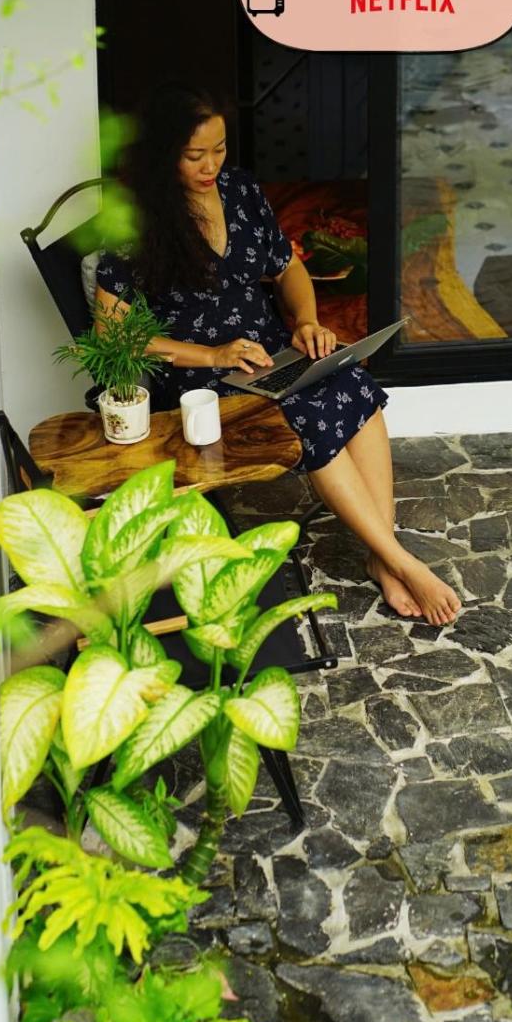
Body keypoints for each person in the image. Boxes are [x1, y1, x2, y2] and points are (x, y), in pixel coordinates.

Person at [94, 82, 462, 626]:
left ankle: (382, 556)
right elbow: (112, 335)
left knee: (354, 386)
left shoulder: (240, 190)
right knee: (311, 413)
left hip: (269, 354)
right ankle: (400, 560)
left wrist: (307, 321)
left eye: (220, 149)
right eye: (195, 155)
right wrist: (212, 354)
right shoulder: (136, 221)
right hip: (202, 379)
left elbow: (288, 268)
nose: (211, 165)